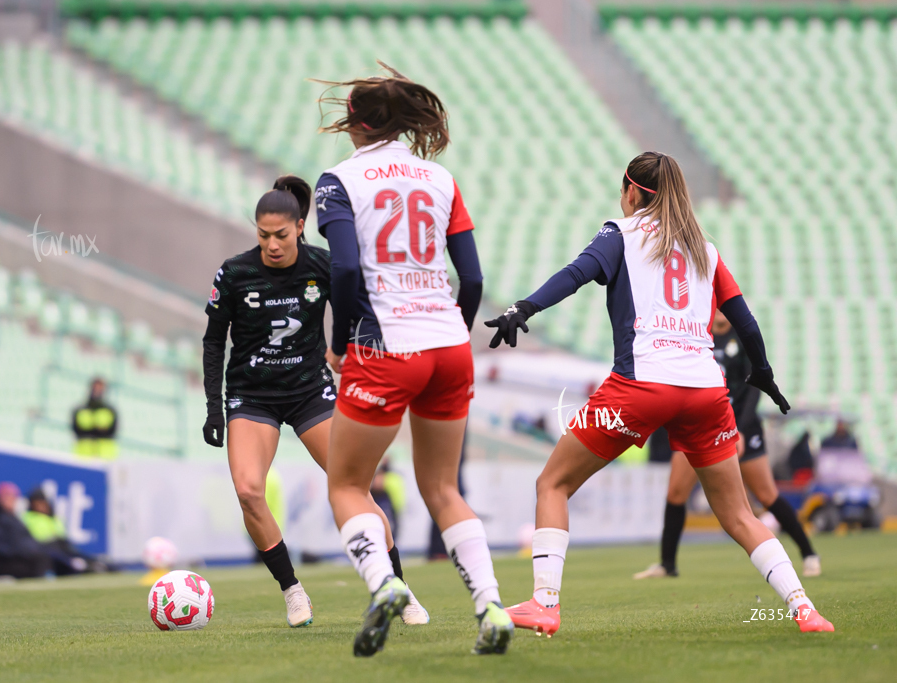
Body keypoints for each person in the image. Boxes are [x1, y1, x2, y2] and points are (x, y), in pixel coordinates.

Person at [486, 151, 833, 635]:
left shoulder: (620, 233)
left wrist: (523, 308)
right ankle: (804, 609)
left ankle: (545, 603)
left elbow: (576, 273)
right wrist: (763, 371)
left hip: (641, 388)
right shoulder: (703, 249)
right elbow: (745, 320)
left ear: (631, 191)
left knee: (553, 484)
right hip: (707, 392)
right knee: (737, 513)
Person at [315, 63, 512, 657]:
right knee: (443, 488)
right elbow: (472, 277)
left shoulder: (337, 180)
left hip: (387, 346)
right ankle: (492, 609)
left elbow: (347, 270)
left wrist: (342, 342)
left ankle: (384, 585)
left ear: (355, 123)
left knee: (347, 484)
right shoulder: (440, 179)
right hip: (449, 344)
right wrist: (454, 325)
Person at [201, 175, 427, 629]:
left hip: (310, 393)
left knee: (356, 490)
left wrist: (353, 352)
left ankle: (396, 590)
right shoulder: (234, 272)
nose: (272, 245)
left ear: (300, 227)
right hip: (252, 396)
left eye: (281, 235)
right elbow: (212, 343)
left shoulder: (324, 266)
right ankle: (293, 592)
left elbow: (365, 313)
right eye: (263, 236)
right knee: (248, 491)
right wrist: (214, 407)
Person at [635, 310, 820, 580]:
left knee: (767, 494)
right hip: (701, 424)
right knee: (676, 492)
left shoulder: (743, 337)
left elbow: (754, 388)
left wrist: (740, 429)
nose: (720, 306)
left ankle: (808, 553)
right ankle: (667, 564)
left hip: (740, 427)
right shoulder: (698, 334)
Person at [23, 488, 98, 573]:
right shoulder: (27, 517)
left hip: (60, 544)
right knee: (62, 558)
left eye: (42, 503)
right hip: (44, 547)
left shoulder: (55, 519)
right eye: (37, 503)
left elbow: (62, 535)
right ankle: (82, 567)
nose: (40, 506)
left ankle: (98, 565)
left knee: (76, 553)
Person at [72, 378, 118, 459]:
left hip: (105, 455)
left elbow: (112, 432)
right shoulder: (80, 410)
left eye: (100, 389)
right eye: (95, 388)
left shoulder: (110, 411)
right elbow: (77, 430)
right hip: (83, 454)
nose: (97, 391)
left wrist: (91, 431)